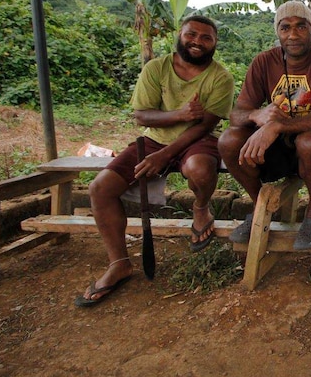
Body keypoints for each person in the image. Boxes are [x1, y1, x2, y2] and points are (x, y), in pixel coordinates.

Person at [75, 16, 234, 307]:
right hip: (153, 139)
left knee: (199, 169)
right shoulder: (156, 68)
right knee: (100, 188)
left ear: (215, 43)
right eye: (192, 34)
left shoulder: (220, 77)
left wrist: (166, 154)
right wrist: (180, 115)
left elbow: (204, 125)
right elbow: (142, 115)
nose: (197, 41)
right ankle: (119, 263)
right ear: (180, 35)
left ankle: (201, 209)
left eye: (206, 37)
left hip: (197, 140)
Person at [218, 0, 311, 251]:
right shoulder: (263, 62)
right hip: (277, 146)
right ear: (277, 31)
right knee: (228, 140)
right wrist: (259, 114)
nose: (293, 34)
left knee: (310, 141)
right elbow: (237, 114)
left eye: (301, 26)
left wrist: (278, 126)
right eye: (285, 27)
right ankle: (261, 207)